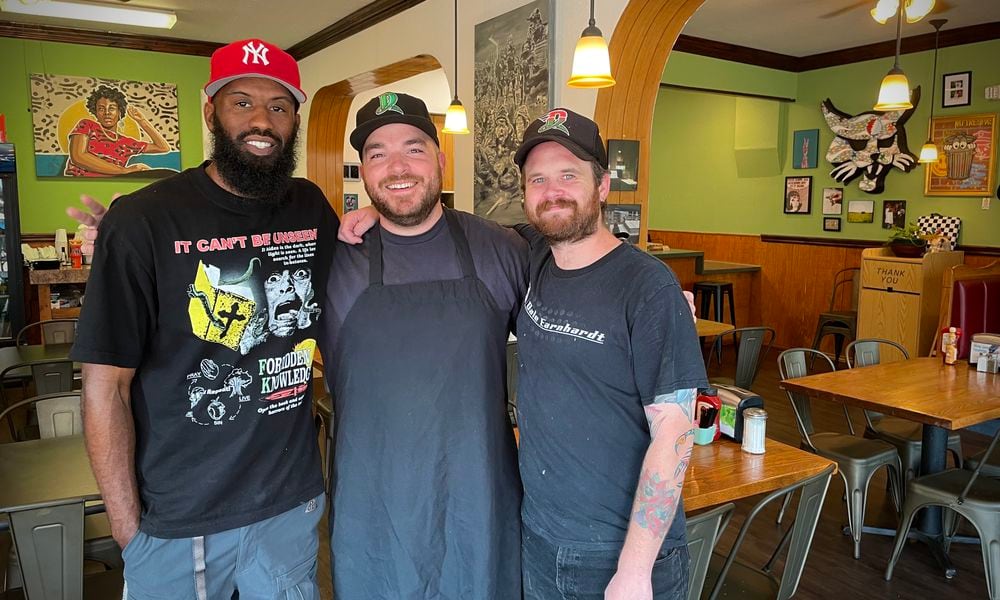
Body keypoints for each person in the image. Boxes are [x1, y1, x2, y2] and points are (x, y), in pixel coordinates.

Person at [69, 38, 335, 598]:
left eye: (280, 106)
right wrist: (127, 528)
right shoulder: (143, 219)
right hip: (177, 517)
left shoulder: (312, 208)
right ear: (210, 110)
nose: (262, 120)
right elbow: (104, 388)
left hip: (288, 505)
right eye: (242, 102)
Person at [323, 92, 526, 598]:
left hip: (478, 501)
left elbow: (574, 294)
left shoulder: (501, 248)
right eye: (377, 153)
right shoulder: (330, 258)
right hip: (375, 507)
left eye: (414, 148)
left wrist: (641, 286)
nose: (397, 167)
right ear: (364, 173)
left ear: (439, 159)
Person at [512, 108, 708, 599]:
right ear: (525, 194)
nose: (552, 191)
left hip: (620, 555)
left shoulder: (649, 288)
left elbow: (676, 434)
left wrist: (636, 570)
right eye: (537, 179)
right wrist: (374, 213)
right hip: (540, 537)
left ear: (601, 187)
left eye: (568, 175)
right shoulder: (535, 254)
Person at [65, 84, 171, 176]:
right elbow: (79, 157)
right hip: (82, 182)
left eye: (111, 108)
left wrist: (142, 121)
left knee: (165, 175)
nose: (107, 112)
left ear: (119, 112)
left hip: (117, 184)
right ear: (96, 113)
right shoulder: (87, 125)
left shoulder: (127, 143)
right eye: (101, 109)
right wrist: (124, 170)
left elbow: (163, 147)